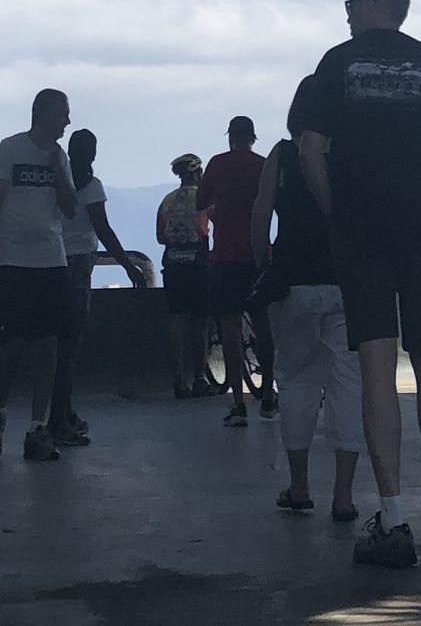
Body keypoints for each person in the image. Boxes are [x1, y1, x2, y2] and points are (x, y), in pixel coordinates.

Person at [298, 0, 421, 569]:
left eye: (352, 0)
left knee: (377, 366)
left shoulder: (336, 63)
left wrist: (335, 213)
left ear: (376, 3)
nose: (346, 10)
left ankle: (392, 516)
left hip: (363, 236)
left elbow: (308, 147)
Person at [252, 80, 363, 522]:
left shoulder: (280, 155)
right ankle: (344, 496)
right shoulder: (352, 152)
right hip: (345, 282)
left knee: (296, 380)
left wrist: (265, 267)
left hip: (293, 281)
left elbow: (260, 219)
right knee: (348, 385)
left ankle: (298, 486)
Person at [0, 87, 78, 462]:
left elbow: (69, 209)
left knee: (48, 344)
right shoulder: (9, 149)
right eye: (63, 114)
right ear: (45, 114)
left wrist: (57, 170)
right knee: (12, 345)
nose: (67, 121)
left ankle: (38, 426)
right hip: (14, 260)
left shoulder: (60, 157)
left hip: (51, 261)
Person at [50, 126, 149, 446]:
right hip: (79, 265)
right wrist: (127, 264)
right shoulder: (91, 187)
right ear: (91, 153)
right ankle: (60, 416)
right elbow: (102, 228)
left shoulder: (56, 184)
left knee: (55, 343)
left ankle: (62, 410)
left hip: (52, 261)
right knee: (69, 345)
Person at [197, 114, 277, 424]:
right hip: (258, 255)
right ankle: (269, 394)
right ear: (253, 137)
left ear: (230, 137)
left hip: (225, 257)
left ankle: (238, 403)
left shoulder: (217, 164)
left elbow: (200, 202)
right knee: (264, 324)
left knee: (229, 328)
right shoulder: (263, 165)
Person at [157, 153, 214, 399]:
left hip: (172, 264)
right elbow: (215, 223)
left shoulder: (167, 200)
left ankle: (178, 379)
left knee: (177, 321)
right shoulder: (203, 198)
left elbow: (160, 237)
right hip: (198, 263)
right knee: (200, 323)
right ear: (197, 174)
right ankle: (200, 378)